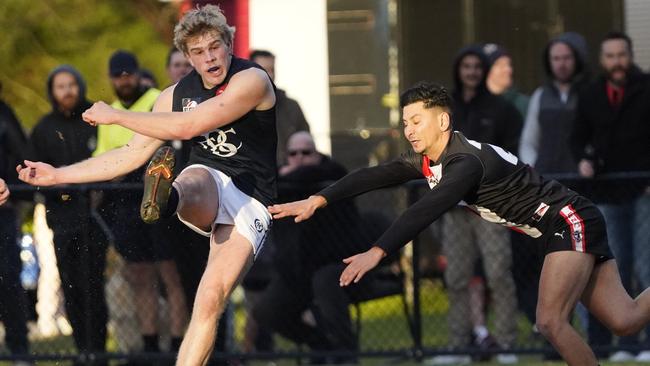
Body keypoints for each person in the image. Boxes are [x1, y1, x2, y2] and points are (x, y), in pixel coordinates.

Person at [268, 81, 650, 366]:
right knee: (626, 320)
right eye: (405, 123)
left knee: (550, 321)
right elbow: (374, 174)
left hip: (567, 221)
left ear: (444, 120)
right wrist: (318, 198)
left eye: (417, 121)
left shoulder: (465, 162)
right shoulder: (430, 160)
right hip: (565, 223)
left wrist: (377, 251)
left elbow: (428, 207)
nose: (409, 130)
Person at [17, 4, 277, 365]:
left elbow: (189, 126)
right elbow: (129, 155)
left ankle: (168, 197)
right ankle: (166, 197)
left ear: (229, 44)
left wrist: (117, 115)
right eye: (199, 52)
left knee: (209, 300)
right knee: (199, 177)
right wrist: (58, 175)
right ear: (187, 57)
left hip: (251, 197)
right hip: (205, 184)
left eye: (215, 47)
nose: (210, 58)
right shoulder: (172, 95)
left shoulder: (252, 79)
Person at [253, 131, 393, 361]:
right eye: (293, 153)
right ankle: (323, 346)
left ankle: (346, 355)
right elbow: (265, 183)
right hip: (298, 273)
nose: (299, 158)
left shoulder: (331, 176)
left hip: (342, 266)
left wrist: (293, 174)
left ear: (317, 154)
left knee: (325, 281)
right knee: (266, 310)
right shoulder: (280, 185)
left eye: (306, 152)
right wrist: (288, 176)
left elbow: (332, 173)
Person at [426, 45, 521, 365]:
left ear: (484, 71)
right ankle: (459, 346)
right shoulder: (443, 109)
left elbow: (513, 155)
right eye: (466, 66)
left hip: (492, 205)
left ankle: (508, 343)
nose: (471, 72)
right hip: (455, 207)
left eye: (477, 66)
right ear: (458, 70)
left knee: (498, 273)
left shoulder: (501, 109)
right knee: (456, 277)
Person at [96, 49, 189, 356]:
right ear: (111, 78)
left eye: (129, 74)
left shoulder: (156, 99)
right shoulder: (108, 111)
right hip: (124, 200)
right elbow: (105, 158)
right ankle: (149, 346)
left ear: (138, 73)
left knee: (170, 273)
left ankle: (177, 345)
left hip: (157, 192)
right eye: (119, 75)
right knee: (140, 275)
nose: (125, 80)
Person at [570, 31, 650, 362]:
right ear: (602, 60)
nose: (617, 62)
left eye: (621, 55)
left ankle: (647, 343)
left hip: (644, 191)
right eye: (610, 56)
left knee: (647, 267)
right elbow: (576, 138)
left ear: (630, 56)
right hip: (606, 192)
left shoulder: (647, 89)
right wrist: (584, 161)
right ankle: (624, 345)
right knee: (614, 269)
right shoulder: (589, 95)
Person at [28, 65, 109, 365]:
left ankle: (98, 351)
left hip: (95, 217)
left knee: (93, 286)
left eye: (72, 84)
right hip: (61, 219)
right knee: (70, 285)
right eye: (60, 86)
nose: (67, 91)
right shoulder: (43, 128)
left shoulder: (95, 119)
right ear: (52, 91)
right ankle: (81, 350)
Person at [517, 32, 590, 333]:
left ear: (577, 60)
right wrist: (534, 174)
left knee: (584, 262)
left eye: (566, 58)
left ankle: (594, 331)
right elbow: (529, 142)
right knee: (549, 263)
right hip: (548, 192)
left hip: (584, 189)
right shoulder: (539, 96)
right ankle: (552, 331)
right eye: (556, 58)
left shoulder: (589, 93)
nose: (561, 64)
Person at [0, 84, 32, 366]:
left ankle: (19, 348)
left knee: (9, 281)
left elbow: (21, 156)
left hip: (3, 213)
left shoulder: (4, 114)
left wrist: (11, 189)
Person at [249, 49, 310, 164]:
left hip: (291, 176)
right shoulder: (238, 107)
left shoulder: (292, 106)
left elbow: (306, 145)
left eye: (272, 70)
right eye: (264, 70)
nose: (270, 75)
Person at [482, 43, 529, 119]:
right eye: (500, 65)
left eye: (508, 64)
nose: (508, 69)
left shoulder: (524, 104)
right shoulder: (472, 105)